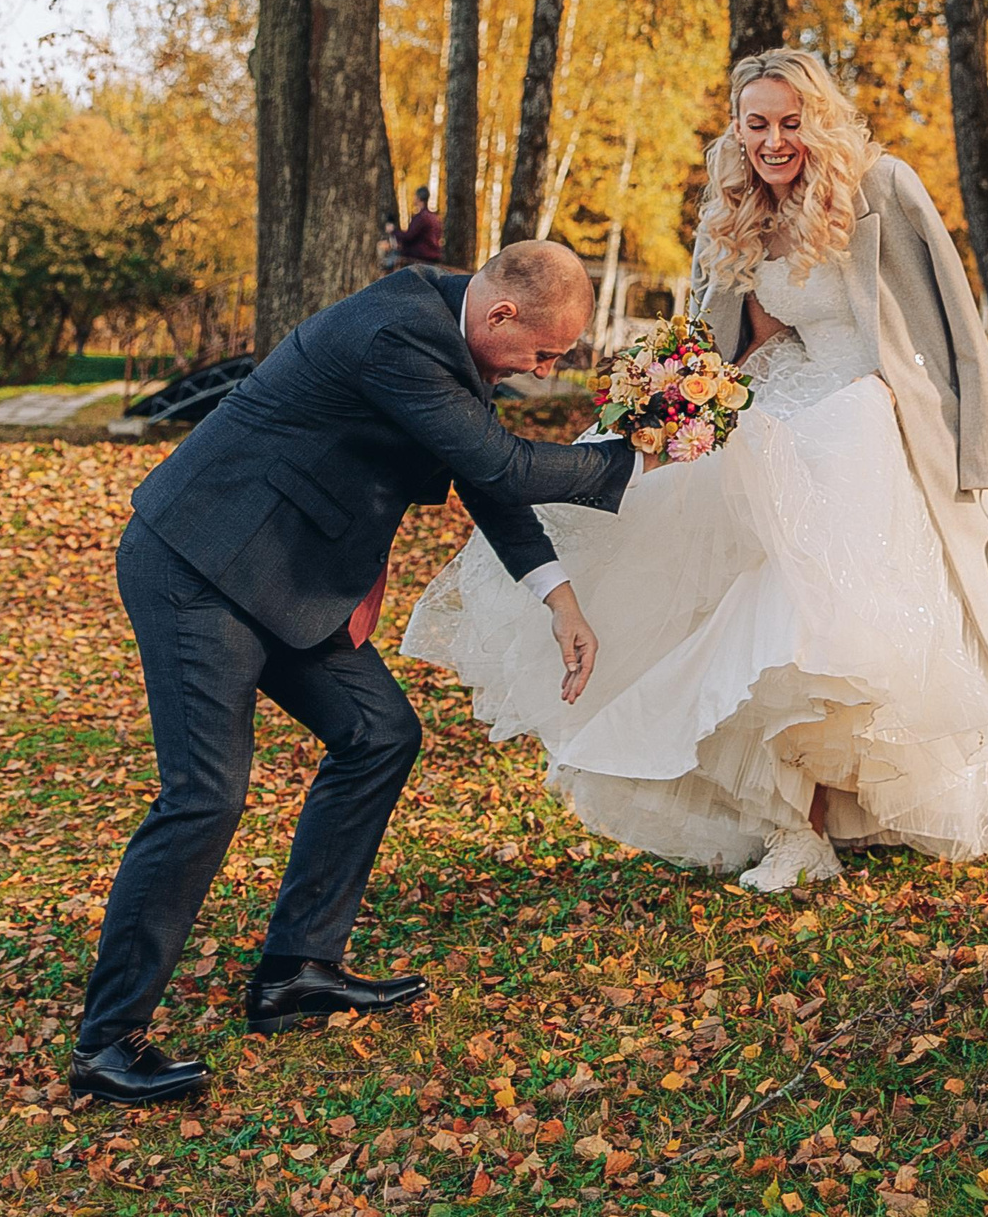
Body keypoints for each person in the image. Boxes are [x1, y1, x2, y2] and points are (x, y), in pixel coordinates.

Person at [402, 49, 988, 893]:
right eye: (757, 123)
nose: (774, 141)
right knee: (724, 557)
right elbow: (744, 338)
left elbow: (950, 326)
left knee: (818, 604)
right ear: (737, 127)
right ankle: (793, 826)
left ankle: (828, 819)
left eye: (791, 122)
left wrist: (973, 443)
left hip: (875, 408)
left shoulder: (883, 188)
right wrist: (675, 399)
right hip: (784, 396)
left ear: (820, 120)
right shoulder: (736, 207)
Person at [71, 242, 662, 1106]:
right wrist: (636, 460)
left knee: (379, 735)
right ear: (502, 313)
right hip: (199, 565)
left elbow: (484, 479)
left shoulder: (453, 334)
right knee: (205, 795)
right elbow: (505, 465)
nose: (546, 370)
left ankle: (296, 972)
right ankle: (107, 1041)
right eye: (544, 352)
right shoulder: (398, 334)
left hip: (290, 577)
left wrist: (560, 601)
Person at [384, 187, 444, 271]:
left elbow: (409, 236)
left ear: (418, 198)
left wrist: (393, 231)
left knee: (391, 257)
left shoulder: (421, 217)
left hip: (421, 255)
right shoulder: (434, 217)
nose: (414, 198)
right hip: (433, 255)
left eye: (415, 196)